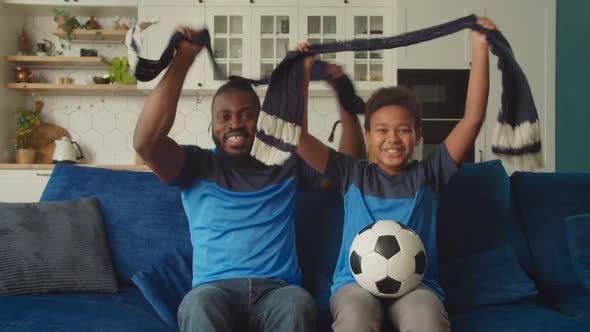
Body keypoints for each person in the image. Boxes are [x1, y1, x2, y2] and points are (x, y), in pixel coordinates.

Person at [133, 27, 365, 332]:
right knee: (196, 304)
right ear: (212, 125)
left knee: (299, 303)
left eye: (246, 115)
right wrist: (185, 57)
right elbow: (145, 143)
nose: (235, 123)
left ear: (262, 120)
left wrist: (343, 97)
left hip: (279, 292)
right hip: (214, 292)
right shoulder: (195, 164)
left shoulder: (286, 162)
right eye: (224, 116)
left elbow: (350, 170)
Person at [296, 17, 496, 332]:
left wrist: (480, 47)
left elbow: (472, 119)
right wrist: (303, 72)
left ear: (418, 135)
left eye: (403, 130)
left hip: (417, 286)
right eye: (382, 130)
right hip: (354, 284)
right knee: (355, 319)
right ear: (369, 135)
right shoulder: (351, 173)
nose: (392, 138)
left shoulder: (430, 174)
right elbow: (299, 137)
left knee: (427, 320)